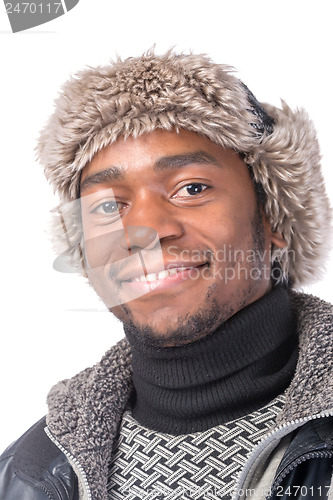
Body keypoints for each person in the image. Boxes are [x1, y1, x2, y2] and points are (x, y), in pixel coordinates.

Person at [0, 49, 332, 500]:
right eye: (107, 207)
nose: (147, 231)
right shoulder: (28, 471)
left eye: (191, 188)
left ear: (274, 217)